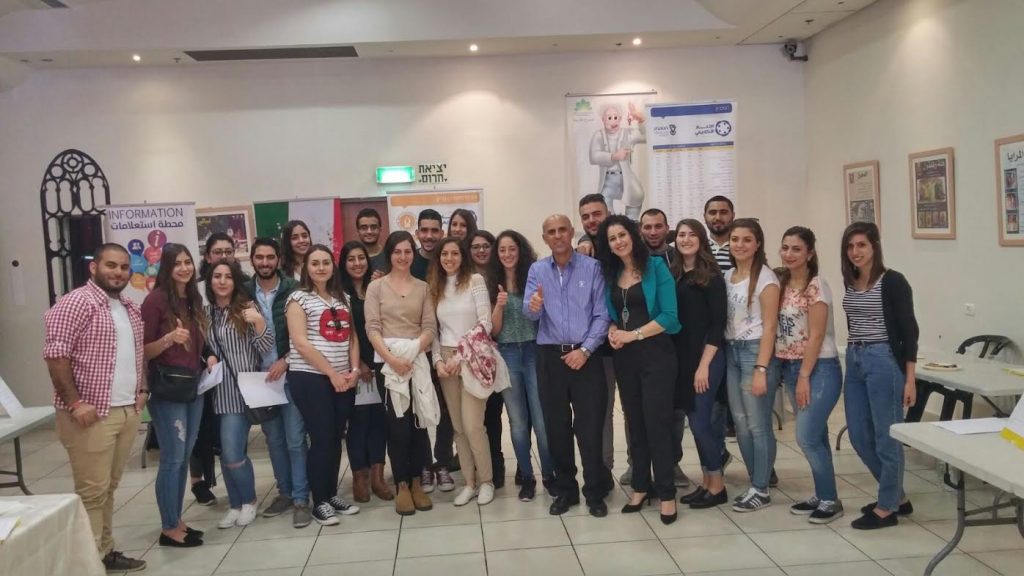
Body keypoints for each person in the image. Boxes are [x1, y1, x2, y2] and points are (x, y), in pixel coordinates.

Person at [43, 243, 149, 572]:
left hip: (126, 410)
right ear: (94, 267)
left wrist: (142, 389)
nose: (118, 272)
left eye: (123, 267)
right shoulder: (75, 303)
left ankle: (104, 551)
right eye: (111, 265)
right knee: (91, 493)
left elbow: (136, 353)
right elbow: (56, 356)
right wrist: (75, 403)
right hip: (90, 415)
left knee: (108, 488)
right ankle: (87, 564)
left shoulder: (129, 307)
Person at [595, 215, 680, 525]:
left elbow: (670, 316)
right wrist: (613, 329)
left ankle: (667, 493)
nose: (618, 241)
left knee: (657, 424)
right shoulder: (611, 273)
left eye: (622, 235)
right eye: (612, 238)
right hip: (625, 359)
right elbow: (613, 314)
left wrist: (633, 335)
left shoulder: (656, 267)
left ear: (633, 235)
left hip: (657, 355)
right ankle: (641, 487)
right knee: (636, 424)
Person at [525, 214, 611, 518]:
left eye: (563, 230)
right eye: (551, 231)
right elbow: (529, 313)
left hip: (586, 357)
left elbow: (602, 315)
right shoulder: (537, 270)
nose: (558, 235)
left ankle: (595, 491)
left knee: (590, 427)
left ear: (572, 232)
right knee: (556, 427)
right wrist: (533, 307)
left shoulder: (593, 267)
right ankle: (566, 490)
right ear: (544, 238)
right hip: (550, 358)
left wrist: (585, 350)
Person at [840, 221, 919, 530]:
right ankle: (897, 496)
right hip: (855, 357)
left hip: (883, 358)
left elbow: (909, 331)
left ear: (875, 246)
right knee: (859, 435)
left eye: (861, 245)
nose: (855, 252)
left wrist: (910, 379)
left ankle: (887, 507)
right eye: (850, 246)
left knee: (887, 437)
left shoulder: (893, 281)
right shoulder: (851, 280)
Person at [141, 243, 217, 547]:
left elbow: (199, 341)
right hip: (168, 389)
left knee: (184, 457)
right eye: (177, 263)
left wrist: (209, 355)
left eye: (188, 262)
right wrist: (169, 338)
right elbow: (144, 350)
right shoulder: (155, 301)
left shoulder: (193, 298)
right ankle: (169, 527)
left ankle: (177, 519)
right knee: (172, 459)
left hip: (194, 386)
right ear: (166, 267)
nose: (184, 268)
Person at [285, 244, 362, 526]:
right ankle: (319, 502)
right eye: (315, 263)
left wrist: (354, 370)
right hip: (311, 377)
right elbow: (301, 343)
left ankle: (330, 495)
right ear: (306, 267)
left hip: (342, 378)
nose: (321, 268)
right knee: (321, 438)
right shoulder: (298, 298)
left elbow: (352, 337)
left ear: (333, 266)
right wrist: (331, 373)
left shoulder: (343, 298)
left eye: (326, 263)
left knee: (335, 436)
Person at [365, 231, 439, 515]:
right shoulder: (376, 288)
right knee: (398, 427)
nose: (403, 256)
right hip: (388, 364)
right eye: (397, 251)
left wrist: (412, 351)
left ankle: (418, 481)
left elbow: (429, 327)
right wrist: (393, 360)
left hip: (417, 361)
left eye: (408, 251)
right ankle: (402, 485)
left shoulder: (423, 288)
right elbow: (372, 328)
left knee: (419, 423)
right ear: (389, 254)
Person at [775, 226, 844, 524]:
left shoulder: (817, 286)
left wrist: (804, 375)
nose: (789, 254)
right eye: (785, 247)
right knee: (817, 435)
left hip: (819, 369)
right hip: (791, 367)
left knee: (805, 436)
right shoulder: (782, 283)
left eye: (797, 249)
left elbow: (816, 336)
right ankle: (823, 493)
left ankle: (830, 500)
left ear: (810, 253)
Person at [245, 238, 313, 528]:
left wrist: (286, 359)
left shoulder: (294, 289)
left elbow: (306, 331)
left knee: (296, 440)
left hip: (291, 373)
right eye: (259, 257)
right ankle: (284, 492)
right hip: (260, 380)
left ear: (277, 259)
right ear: (252, 259)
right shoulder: (243, 292)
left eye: (270, 257)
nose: (265, 262)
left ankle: (300, 499)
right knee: (274, 441)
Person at [430, 237, 501, 506]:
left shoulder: (475, 281)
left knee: (473, 425)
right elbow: (433, 329)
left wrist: (459, 357)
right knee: (458, 428)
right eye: (444, 254)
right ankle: (469, 483)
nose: (449, 258)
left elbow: (485, 323)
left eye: (454, 253)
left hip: (472, 357)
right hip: (446, 360)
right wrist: (438, 360)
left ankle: (487, 481)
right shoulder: (435, 287)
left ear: (463, 256)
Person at [203, 259, 274, 529]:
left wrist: (259, 322)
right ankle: (235, 505)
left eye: (228, 277)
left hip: (244, 391)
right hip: (217, 392)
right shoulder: (206, 313)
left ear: (235, 281)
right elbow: (205, 348)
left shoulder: (247, 308)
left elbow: (265, 346)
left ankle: (249, 500)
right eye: (217, 276)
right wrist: (209, 357)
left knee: (233, 453)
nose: (222, 281)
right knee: (226, 454)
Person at [488, 230, 555, 501]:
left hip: (534, 351)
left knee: (541, 421)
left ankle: (549, 475)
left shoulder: (535, 276)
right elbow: (494, 331)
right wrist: (499, 306)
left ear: (521, 250)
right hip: (507, 354)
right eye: (502, 250)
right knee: (517, 422)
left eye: (512, 249)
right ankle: (526, 476)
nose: (507, 254)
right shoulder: (492, 282)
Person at [724, 218, 781, 513]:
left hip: (755, 353)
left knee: (758, 425)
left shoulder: (766, 279)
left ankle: (761, 488)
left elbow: (770, 327)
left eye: (747, 240)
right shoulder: (729, 275)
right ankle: (757, 478)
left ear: (758, 244)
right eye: (735, 239)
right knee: (741, 424)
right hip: (732, 352)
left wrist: (761, 368)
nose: (740, 245)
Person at [672, 220, 729, 510]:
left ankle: (717, 485)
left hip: (707, 357)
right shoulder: (676, 275)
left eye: (691, 234)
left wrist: (704, 366)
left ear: (701, 239)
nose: (685, 239)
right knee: (695, 421)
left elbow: (718, 326)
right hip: (684, 359)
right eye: (681, 235)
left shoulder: (712, 277)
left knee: (700, 423)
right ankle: (707, 482)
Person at [338, 241, 394, 503]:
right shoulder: (339, 294)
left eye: (361, 258)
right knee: (358, 423)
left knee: (380, 421)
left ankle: (377, 477)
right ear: (344, 263)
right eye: (351, 259)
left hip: (381, 363)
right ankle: (359, 477)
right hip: (353, 366)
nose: (357, 263)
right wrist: (359, 364)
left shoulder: (377, 287)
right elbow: (344, 333)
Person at [572, 194, 620, 488]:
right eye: (586, 216)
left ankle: (640, 469)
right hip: (598, 348)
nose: (592, 220)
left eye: (596, 214)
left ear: (608, 212)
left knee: (635, 411)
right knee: (602, 411)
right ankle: (604, 470)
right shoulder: (581, 254)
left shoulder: (621, 245)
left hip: (631, 341)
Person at [409, 209, 455, 492]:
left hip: (447, 347)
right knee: (421, 408)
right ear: (417, 233)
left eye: (434, 230)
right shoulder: (408, 262)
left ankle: (443, 463)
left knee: (446, 409)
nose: (429, 236)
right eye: (424, 230)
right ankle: (425, 464)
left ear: (442, 232)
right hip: (416, 348)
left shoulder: (447, 262)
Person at [703, 196, 739, 474]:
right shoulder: (700, 248)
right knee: (714, 406)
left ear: (732, 215)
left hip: (739, 338)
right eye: (712, 212)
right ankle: (717, 457)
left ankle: (761, 466)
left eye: (723, 212)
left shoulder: (741, 245)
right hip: (710, 340)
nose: (718, 217)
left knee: (741, 406)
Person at [470, 227, 507, 487]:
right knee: (474, 418)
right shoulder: (463, 278)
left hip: (497, 354)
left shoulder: (500, 276)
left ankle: (496, 463)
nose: (481, 250)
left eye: (486, 246)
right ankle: (476, 465)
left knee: (493, 414)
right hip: (470, 355)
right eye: (476, 247)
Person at [589, 101, 647, 218]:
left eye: (616, 117)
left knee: (636, 198)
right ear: (603, 120)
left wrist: (641, 121)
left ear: (620, 119)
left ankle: (631, 223)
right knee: (604, 207)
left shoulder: (628, 133)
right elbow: (593, 157)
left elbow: (645, 137)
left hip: (625, 179)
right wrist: (613, 156)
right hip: (607, 181)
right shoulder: (598, 135)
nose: (613, 121)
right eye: (609, 118)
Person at [355, 208, 386, 276]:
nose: (369, 231)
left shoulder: (390, 255)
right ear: (358, 231)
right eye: (364, 228)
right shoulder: (351, 259)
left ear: (380, 229)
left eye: (373, 227)